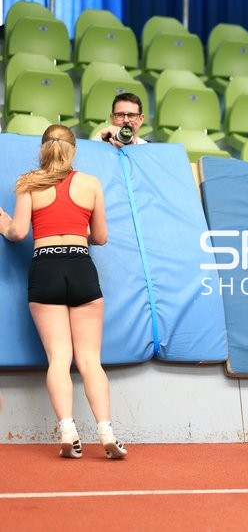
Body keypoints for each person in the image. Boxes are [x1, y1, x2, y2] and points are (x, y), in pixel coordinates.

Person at [0, 125, 128, 460]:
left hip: (45, 267)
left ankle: (68, 430)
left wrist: (4, 224)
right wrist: (79, 230)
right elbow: (101, 237)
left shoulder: (28, 182)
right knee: (89, 360)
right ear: (73, 150)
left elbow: (18, 232)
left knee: (59, 359)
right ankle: (106, 431)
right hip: (80, 265)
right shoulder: (91, 183)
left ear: (43, 148)